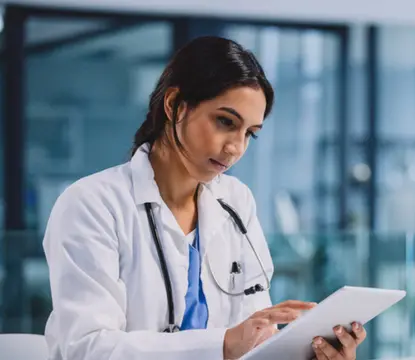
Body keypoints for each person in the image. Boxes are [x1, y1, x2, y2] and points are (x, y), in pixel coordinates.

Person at [42, 36, 366, 360]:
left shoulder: (237, 202)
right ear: (174, 106)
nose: (236, 148)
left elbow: (257, 339)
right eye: (225, 122)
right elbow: (86, 349)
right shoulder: (92, 204)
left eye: (249, 133)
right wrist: (223, 345)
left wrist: (313, 355)